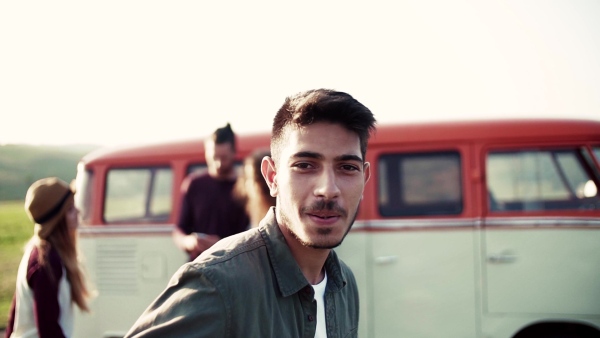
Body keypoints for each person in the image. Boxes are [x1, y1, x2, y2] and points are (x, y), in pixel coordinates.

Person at [125, 88, 376, 337]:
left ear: (364, 180)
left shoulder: (343, 283)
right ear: (272, 177)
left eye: (347, 167)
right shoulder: (218, 283)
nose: (328, 190)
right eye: (305, 165)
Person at [5, 177, 92, 338]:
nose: (78, 212)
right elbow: (48, 330)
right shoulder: (47, 262)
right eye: (71, 209)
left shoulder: (40, 252)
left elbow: (15, 314)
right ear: (58, 220)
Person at [172, 123, 250, 261]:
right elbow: (179, 229)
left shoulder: (245, 187)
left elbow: (251, 236)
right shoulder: (193, 184)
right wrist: (189, 242)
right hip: (198, 265)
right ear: (206, 153)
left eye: (224, 158)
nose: (219, 164)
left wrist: (222, 245)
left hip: (234, 265)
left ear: (234, 153)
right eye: (214, 157)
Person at [233, 149, 277, 227]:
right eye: (246, 178)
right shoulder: (248, 211)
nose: (246, 184)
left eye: (250, 178)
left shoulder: (277, 219)